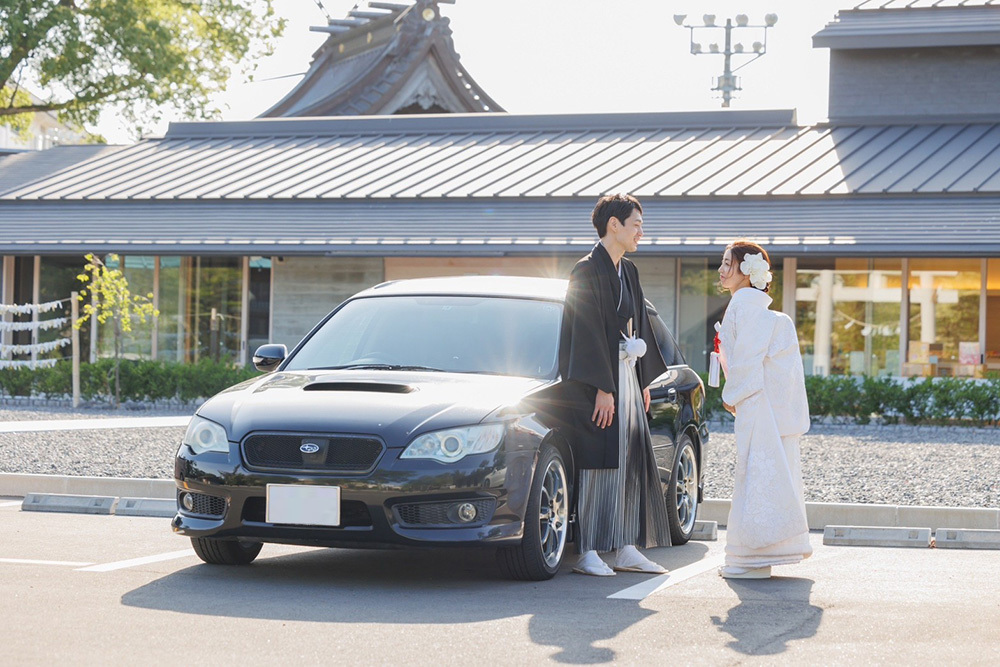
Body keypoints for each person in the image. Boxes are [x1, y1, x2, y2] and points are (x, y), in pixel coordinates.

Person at [558, 193, 672, 577]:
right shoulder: (586, 271)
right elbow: (585, 331)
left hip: (625, 374)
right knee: (597, 462)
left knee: (631, 459)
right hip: (599, 380)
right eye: (636, 224)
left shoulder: (630, 271)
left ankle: (626, 546)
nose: (641, 231)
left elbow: (637, 324)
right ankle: (589, 549)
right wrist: (603, 388)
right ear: (614, 225)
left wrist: (639, 380)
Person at [714, 240, 812, 579]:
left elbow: (747, 358)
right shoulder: (753, 305)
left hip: (756, 402)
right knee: (768, 473)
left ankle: (750, 559)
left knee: (754, 474)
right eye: (723, 263)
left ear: (746, 270)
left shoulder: (745, 305)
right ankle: (761, 553)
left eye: (729, 263)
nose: (722, 270)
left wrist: (732, 394)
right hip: (765, 402)